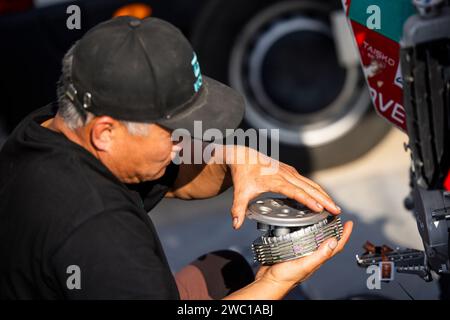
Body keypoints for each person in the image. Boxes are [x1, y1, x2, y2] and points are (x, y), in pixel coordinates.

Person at [0, 16, 352, 300]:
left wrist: (234, 160)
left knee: (229, 269)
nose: (184, 145)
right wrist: (276, 282)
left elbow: (179, 179)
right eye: (172, 132)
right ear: (105, 133)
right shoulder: (98, 232)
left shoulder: (51, 127)